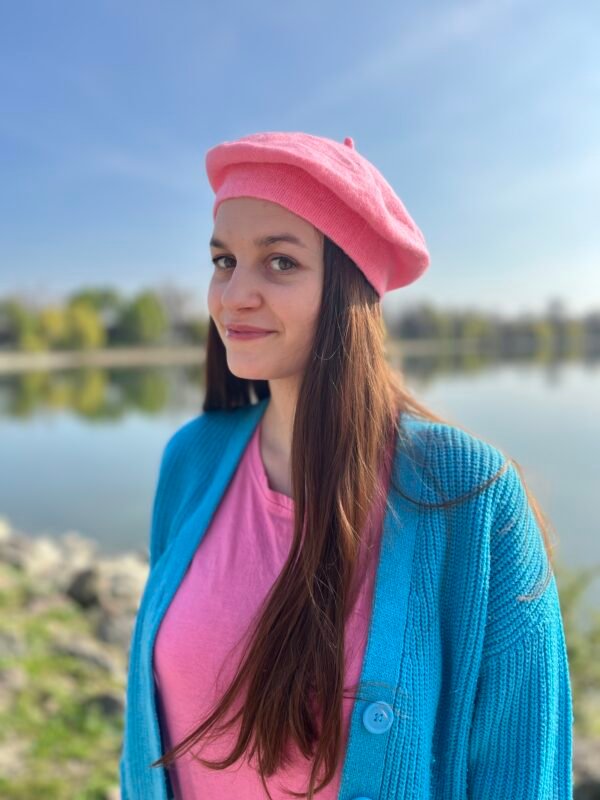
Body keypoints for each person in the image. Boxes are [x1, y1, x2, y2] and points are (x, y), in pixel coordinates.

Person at [119, 132, 573, 799]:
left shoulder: (472, 496)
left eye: (279, 263)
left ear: (350, 291)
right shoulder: (191, 460)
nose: (232, 294)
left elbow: (521, 773)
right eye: (224, 260)